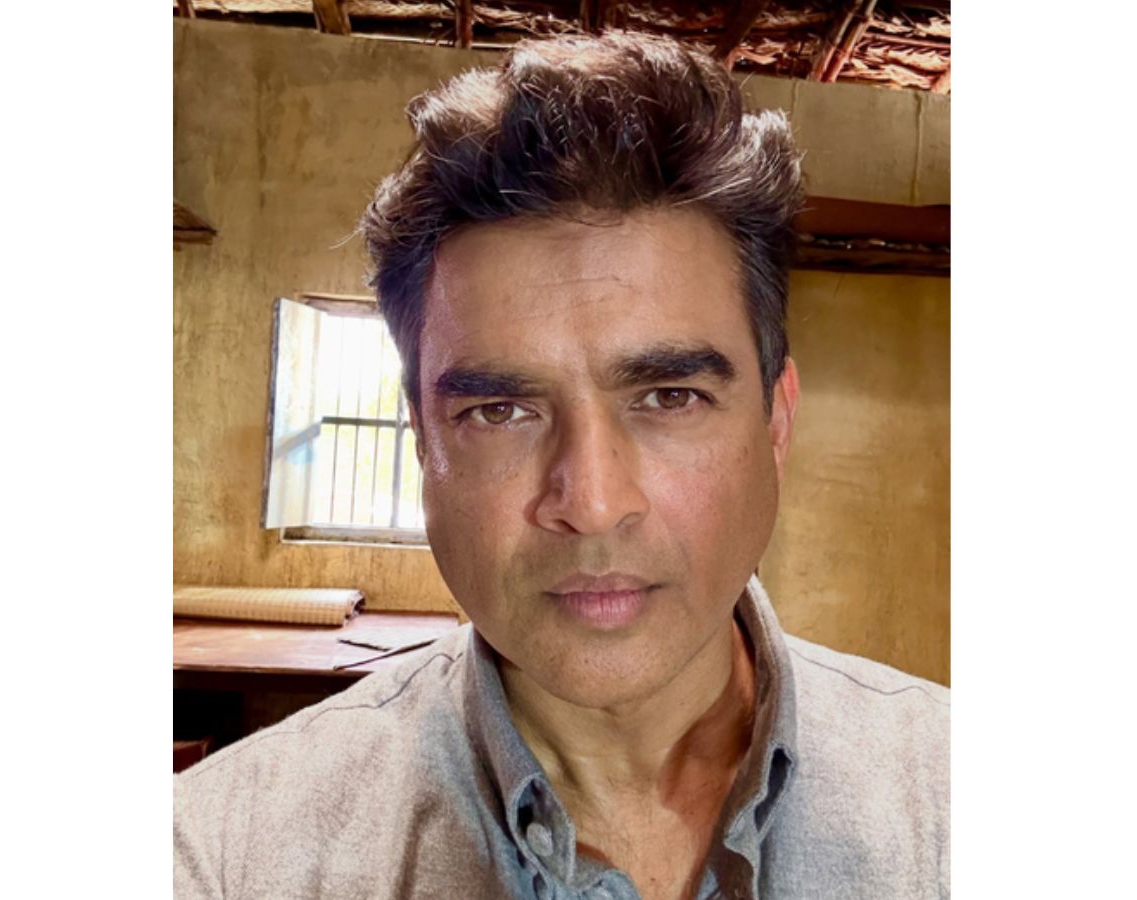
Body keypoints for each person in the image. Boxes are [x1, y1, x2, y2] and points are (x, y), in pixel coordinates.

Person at [174, 30, 948, 900]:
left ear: (776, 418)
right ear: (423, 440)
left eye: (669, 396)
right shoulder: (217, 858)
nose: (593, 502)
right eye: (499, 411)